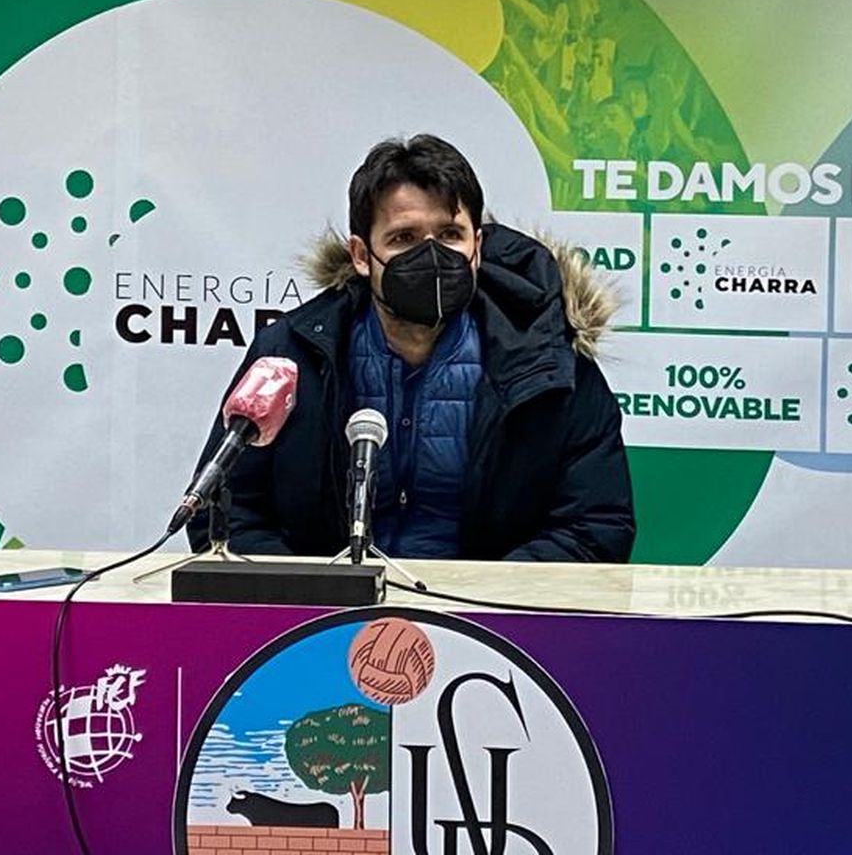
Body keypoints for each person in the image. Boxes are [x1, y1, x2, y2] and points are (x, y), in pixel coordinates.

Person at [194, 134, 635, 562]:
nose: (432, 257)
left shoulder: (551, 364)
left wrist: (478, 605)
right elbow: (223, 513)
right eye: (404, 239)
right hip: (324, 623)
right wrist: (316, 595)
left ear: (477, 247)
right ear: (361, 255)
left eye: (449, 235)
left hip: (487, 627)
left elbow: (596, 527)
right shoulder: (290, 359)